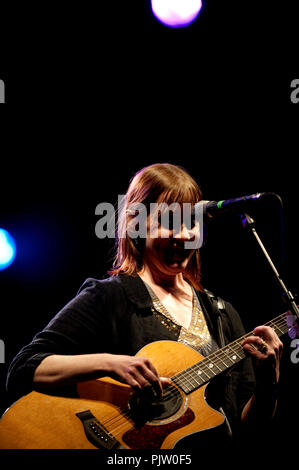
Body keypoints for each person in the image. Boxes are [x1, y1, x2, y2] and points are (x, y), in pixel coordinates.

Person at [5, 163, 283, 449]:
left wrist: (267, 383)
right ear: (137, 225)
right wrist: (110, 364)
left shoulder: (222, 315)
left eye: (191, 222)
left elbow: (247, 433)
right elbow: (24, 369)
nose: (183, 235)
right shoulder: (110, 297)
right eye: (169, 223)